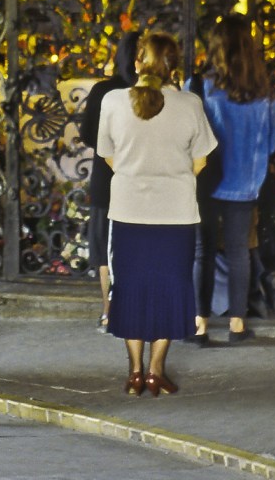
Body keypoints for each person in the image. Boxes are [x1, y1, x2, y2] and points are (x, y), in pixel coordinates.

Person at [96, 30, 216, 397]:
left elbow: (107, 154)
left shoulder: (113, 101)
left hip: (128, 211)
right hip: (176, 215)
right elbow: (201, 160)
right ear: (172, 67)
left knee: (129, 288)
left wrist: (136, 173)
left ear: (137, 63)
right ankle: (155, 372)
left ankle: (133, 373)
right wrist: (172, 176)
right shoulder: (190, 104)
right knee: (170, 288)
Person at [187, 14, 275, 344]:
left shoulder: (201, 86)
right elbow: (274, 139)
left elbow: (186, 132)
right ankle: (237, 326)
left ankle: (199, 325)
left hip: (205, 182)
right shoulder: (264, 92)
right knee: (239, 251)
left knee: (201, 252)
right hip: (245, 184)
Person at [78, 30, 139, 332]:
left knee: (104, 248)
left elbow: (87, 134)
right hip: (141, 178)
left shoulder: (104, 91)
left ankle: (108, 311)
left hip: (107, 176)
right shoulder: (153, 92)